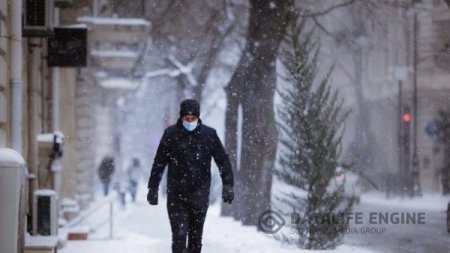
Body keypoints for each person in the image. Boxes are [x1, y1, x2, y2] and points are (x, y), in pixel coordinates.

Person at [147, 99, 234, 253]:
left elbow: (222, 160)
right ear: (181, 117)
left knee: (195, 239)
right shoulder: (170, 134)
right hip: (176, 195)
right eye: (186, 118)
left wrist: (228, 184)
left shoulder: (209, 135)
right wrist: (153, 187)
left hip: (199, 195)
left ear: (198, 117)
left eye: (192, 118)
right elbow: (159, 162)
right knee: (179, 238)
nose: (189, 121)